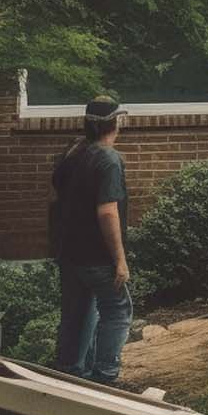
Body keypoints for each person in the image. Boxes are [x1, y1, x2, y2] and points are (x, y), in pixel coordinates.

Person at [49, 96, 133, 385]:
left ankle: (70, 376)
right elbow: (108, 212)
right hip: (97, 257)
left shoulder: (72, 152)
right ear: (115, 122)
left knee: (77, 315)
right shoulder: (109, 159)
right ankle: (105, 379)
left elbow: (57, 196)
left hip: (69, 254)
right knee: (117, 313)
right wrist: (120, 260)